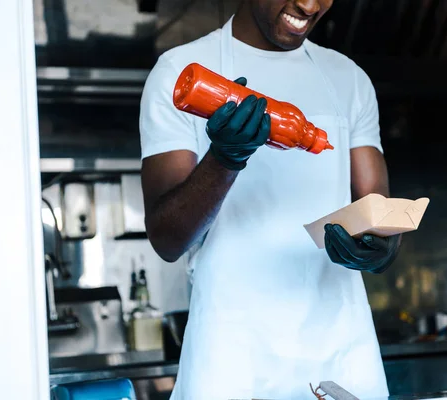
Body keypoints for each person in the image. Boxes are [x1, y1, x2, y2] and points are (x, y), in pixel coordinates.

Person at [139, 0, 401, 398]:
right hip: (232, 361)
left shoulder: (347, 79)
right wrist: (225, 159)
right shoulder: (182, 73)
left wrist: (384, 245)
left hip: (340, 356)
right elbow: (167, 239)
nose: (310, 5)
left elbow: (379, 212)